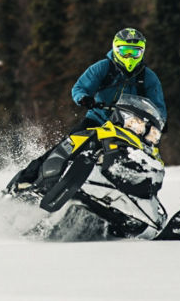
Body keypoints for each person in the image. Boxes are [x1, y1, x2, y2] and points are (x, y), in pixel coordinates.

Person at [14, 27, 165, 186]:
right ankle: (27, 178)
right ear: (115, 48)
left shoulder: (148, 77)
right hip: (97, 120)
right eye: (125, 51)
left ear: (142, 53)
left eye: (135, 53)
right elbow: (79, 87)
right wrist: (84, 99)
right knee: (69, 146)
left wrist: (158, 123)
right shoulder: (103, 67)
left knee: (147, 158)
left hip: (129, 128)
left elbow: (158, 106)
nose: (130, 57)